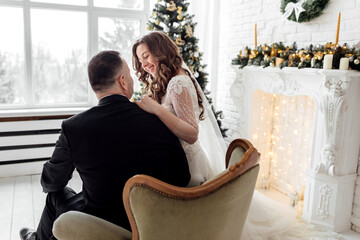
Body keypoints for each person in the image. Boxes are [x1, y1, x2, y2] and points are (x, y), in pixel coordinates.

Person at [132, 31, 316, 239]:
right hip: (180, 157)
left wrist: (157, 110)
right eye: (140, 59)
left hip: (188, 164)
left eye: (146, 56)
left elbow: (192, 133)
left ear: (160, 51)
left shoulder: (178, 82)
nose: (144, 63)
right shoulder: (172, 78)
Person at [19, 50, 190, 240]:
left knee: (55, 197)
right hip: (154, 219)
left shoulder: (74, 126)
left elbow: (52, 182)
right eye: (131, 76)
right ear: (123, 81)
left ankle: (36, 238)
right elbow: (182, 176)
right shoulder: (157, 117)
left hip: (102, 222)